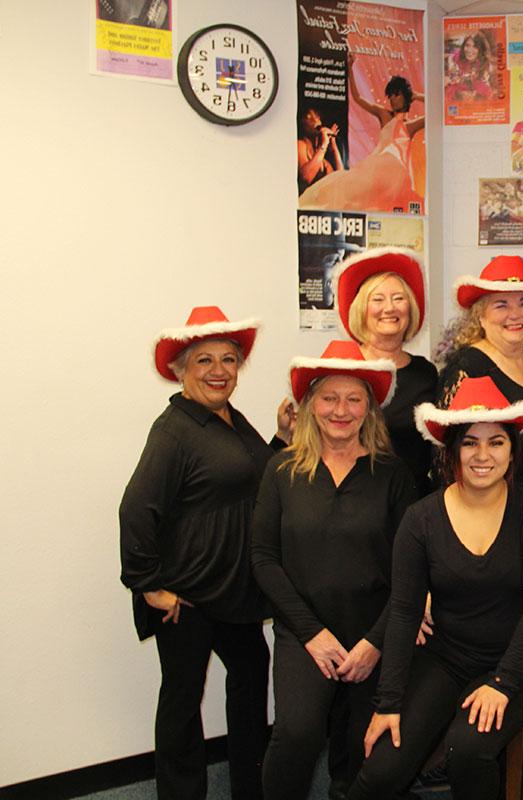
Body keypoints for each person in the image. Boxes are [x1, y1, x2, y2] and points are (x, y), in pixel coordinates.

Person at [349, 377, 523, 799]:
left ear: (512, 449)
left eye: (496, 442)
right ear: (452, 451)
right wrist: (389, 703)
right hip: (446, 659)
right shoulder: (421, 519)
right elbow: (404, 610)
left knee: (468, 750)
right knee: (382, 768)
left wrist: (503, 682)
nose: (482, 455)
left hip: (518, 664)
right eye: (470, 443)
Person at [120, 306, 289, 800]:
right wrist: (149, 586)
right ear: (181, 370)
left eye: (229, 360)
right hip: (187, 595)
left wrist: (279, 436)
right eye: (205, 361)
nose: (219, 371)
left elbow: (253, 476)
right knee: (181, 700)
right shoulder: (174, 429)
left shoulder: (230, 419)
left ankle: (247, 787)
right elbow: (135, 510)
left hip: (233, 590)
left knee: (251, 678)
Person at [251, 341, 416, 800]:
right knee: (298, 735)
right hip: (305, 634)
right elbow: (263, 558)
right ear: (308, 405)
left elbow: (410, 571)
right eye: (328, 398)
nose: (340, 410)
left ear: (370, 408)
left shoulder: (393, 475)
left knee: (367, 751)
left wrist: (375, 642)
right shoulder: (281, 470)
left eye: (353, 398)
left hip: (374, 633)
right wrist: (310, 634)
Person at [436, 255, 523, 493]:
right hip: (491, 514)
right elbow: (445, 459)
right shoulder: (468, 366)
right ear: (481, 316)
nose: (515, 314)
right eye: (501, 304)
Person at [333, 247, 437, 495]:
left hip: (413, 503)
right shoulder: (343, 369)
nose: (389, 308)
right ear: (361, 309)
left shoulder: (426, 373)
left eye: (399, 298)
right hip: (355, 503)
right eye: (378, 299)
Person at [299, 57, 426, 213]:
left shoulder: (410, 126)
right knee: (343, 193)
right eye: (390, 95)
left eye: (397, 94)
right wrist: (350, 69)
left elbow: (435, 112)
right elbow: (358, 98)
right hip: (376, 169)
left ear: (406, 96)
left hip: (397, 175)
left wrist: (417, 95)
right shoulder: (383, 114)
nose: (392, 99)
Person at [297, 106, 344, 193]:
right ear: (301, 124)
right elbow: (305, 179)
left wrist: (333, 146)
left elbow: (340, 180)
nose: (315, 119)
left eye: (317, 116)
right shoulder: (300, 145)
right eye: (309, 117)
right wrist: (323, 145)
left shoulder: (324, 161)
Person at [445, 30, 495, 103]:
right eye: (467, 45)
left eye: (475, 46)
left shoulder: (484, 62)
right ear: (463, 46)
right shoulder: (456, 58)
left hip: (477, 87)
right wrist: (454, 77)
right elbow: (453, 77)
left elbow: (483, 82)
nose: (469, 50)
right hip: (458, 87)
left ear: (481, 49)